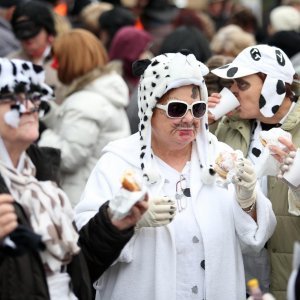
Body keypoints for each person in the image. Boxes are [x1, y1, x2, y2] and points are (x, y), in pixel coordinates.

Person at [74, 50, 276, 299]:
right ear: (149, 108)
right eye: (177, 109)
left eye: (198, 108)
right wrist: (127, 220)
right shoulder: (118, 162)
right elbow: (85, 241)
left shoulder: (222, 157)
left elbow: (255, 242)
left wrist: (248, 202)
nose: (189, 119)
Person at [0, 57, 148, 299]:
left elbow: (77, 270)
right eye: (12, 100)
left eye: (34, 97)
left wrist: (112, 225)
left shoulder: (40, 175)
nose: (28, 107)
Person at [210, 44, 300, 299]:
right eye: (231, 85)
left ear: (274, 86)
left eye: (243, 85)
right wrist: (199, 126)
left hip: (286, 274)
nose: (232, 92)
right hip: (240, 274)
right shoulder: (228, 125)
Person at [38, 29, 131, 207]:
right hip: (100, 190)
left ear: (71, 60)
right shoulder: (100, 91)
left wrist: (42, 136)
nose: (55, 66)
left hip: (81, 197)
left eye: (59, 59)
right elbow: (77, 132)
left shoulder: (86, 101)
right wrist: (50, 112)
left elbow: (69, 156)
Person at [8, 0, 65, 104]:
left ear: (47, 30)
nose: (28, 38)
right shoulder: (9, 64)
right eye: (21, 30)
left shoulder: (65, 58)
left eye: (33, 30)